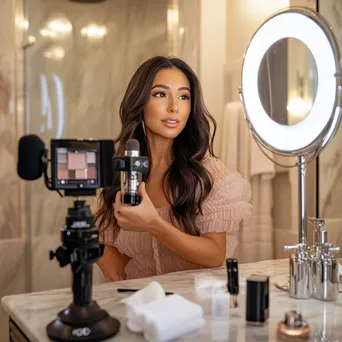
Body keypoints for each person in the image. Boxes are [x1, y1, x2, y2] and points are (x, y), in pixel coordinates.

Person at [93, 56, 252, 282]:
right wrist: (116, 274)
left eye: (183, 96)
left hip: (196, 307)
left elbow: (215, 254)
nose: (174, 107)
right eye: (160, 94)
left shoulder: (207, 173)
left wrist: (154, 225)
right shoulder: (121, 173)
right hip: (140, 304)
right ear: (139, 103)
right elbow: (104, 241)